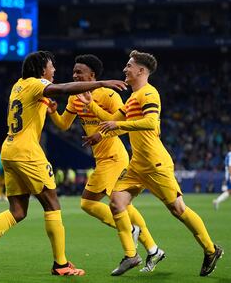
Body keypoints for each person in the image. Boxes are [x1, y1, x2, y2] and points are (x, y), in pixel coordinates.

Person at [0, 50, 127, 276]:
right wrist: (101, 83)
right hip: (27, 152)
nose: (54, 70)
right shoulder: (36, 83)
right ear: (41, 70)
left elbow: (43, 106)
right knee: (52, 204)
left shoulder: (18, 85)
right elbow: (63, 89)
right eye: (51, 66)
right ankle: (61, 264)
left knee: (17, 211)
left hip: (9, 149)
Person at [79, 50, 223, 276]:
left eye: (129, 66)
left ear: (141, 70)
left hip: (156, 163)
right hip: (137, 165)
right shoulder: (133, 98)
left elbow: (149, 122)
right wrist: (93, 113)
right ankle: (131, 255)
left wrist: (119, 127)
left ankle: (210, 249)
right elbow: (113, 121)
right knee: (116, 202)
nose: (125, 69)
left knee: (178, 209)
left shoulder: (149, 94)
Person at [48, 54, 164, 272]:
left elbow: (121, 125)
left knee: (88, 203)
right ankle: (153, 249)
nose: (74, 75)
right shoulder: (74, 98)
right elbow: (64, 125)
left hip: (114, 157)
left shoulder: (109, 95)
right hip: (102, 157)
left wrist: (100, 135)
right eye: (73, 72)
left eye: (79, 72)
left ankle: (130, 232)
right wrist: (54, 113)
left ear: (92, 75)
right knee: (125, 205)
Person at [213, 144, 231, 210]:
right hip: (230, 176)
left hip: (228, 176)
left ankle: (217, 201)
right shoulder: (230, 155)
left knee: (229, 191)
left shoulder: (228, 155)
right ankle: (217, 201)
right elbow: (229, 166)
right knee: (229, 191)